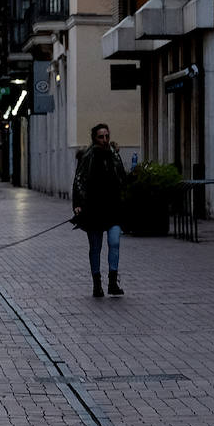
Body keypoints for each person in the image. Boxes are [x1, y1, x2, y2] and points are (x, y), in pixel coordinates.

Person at [72, 122, 127, 297]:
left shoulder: (114, 155)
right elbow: (79, 181)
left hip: (113, 207)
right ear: (94, 138)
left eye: (107, 136)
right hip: (93, 208)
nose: (105, 140)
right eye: (101, 137)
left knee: (114, 242)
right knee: (95, 247)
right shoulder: (88, 157)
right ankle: (97, 284)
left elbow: (122, 177)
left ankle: (112, 282)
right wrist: (78, 204)